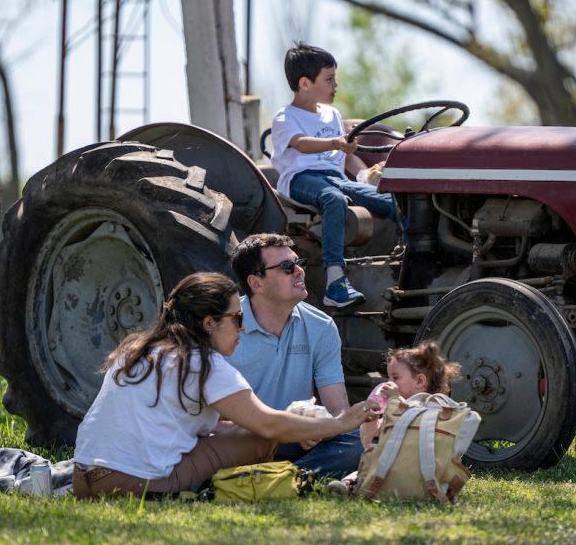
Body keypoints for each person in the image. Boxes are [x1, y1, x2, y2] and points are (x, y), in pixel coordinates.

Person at [72, 272, 369, 499]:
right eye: (237, 318)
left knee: (247, 431)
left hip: (83, 479)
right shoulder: (203, 364)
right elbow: (268, 426)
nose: (242, 327)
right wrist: (341, 424)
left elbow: (227, 426)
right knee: (262, 439)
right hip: (135, 485)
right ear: (209, 323)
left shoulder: (138, 349)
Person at [270, 41, 398, 309]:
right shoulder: (285, 116)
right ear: (305, 83)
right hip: (301, 178)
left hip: (334, 177)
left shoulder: (332, 114)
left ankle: (409, 262)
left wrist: (365, 175)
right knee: (333, 199)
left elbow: (346, 155)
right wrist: (337, 143)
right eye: (329, 79)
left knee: (390, 201)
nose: (335, 85)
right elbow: (302, 144)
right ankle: (336, 281)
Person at [227, 233, 363, 479]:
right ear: (256, 283)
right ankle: (290, 478)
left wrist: (320, 429)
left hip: (298, 442)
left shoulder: (321, 326)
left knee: (357, 440)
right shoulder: (225, 326)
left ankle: (284, 479)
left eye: (299, 263)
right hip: (243, 439)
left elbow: (338, 412)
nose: (299, 271)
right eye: (287, 267)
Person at [329, 341, 462, 494]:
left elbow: (415, 423)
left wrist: (396, 401)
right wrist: (371, 421)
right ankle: (348, 485)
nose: (388, 383)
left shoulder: (434, 406)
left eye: (395, 378)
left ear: (419, 381)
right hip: (394, 467)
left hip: (423, 469)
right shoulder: (393, 408)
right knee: (367, 470)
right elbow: (369, 443)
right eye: (388, 377)